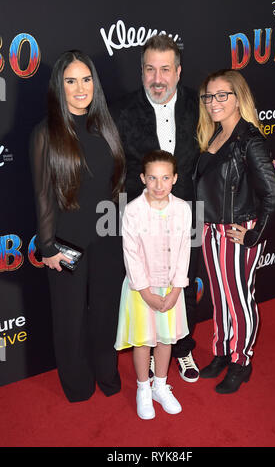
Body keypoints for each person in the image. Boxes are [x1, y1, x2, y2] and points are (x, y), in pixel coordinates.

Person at [30, 50, 125, 402]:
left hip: (108, 238)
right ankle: (78, 385)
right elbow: (42, 195)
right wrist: (48, 247)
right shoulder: (45, 133)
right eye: (71, 80)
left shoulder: (106, 125)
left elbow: (118, 185)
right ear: (60, 86)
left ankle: (107, 374)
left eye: (86, 79)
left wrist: (122, 234)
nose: (80, 87)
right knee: (69, 320)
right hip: (67, 243)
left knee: (105, 314)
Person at [111, 35, 200, 383]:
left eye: (165, 69)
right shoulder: (121, 110)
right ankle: (147, 350)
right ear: (142, 72)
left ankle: (182, 347)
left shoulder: (199, 103)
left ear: (178, 72)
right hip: (140, 212)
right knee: (144, 281)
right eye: (150, 69)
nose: (158, 78)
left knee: (184, 281)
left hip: (187, 208)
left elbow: (225, 137)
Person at [194, 69, 275, 394]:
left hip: (238, 230)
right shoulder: (213, 135)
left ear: (237, 98)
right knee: (219, 298)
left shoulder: (249, 140)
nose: (213, 102)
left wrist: (253, 235)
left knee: (239, 299)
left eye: (222, 95)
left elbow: (274, 195)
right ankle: (222, 352)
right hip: (211, 229)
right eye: (209, 96)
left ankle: (241, 361)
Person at [115, 150, 191, 419]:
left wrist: (176, 290)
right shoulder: (134, 211)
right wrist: (146, 292)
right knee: (143, 340)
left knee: (165, 338)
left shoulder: (183, 209)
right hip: (140, 290)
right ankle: (143, 388)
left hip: (171, 288)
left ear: (175, 179)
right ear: (143, 178)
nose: (159, 185)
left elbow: (184, 251)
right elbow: (131, 254)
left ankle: (160, 385)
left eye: (165, 178)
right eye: (153, 178)